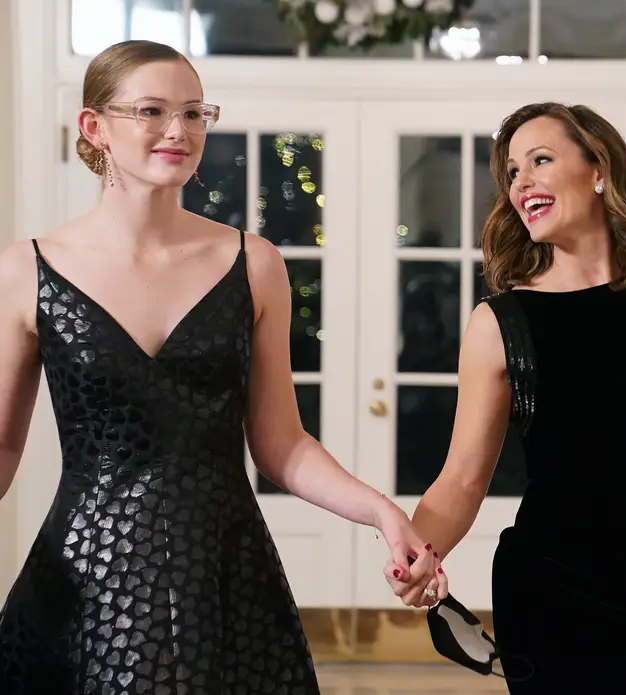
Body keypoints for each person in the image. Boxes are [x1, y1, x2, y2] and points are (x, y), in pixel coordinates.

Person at [0, 40, 446, 694]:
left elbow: (281, 444)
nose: (178, 130)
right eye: (151, 111)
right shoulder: (24, 270)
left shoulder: (255, 263)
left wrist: (381, 511)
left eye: (193, 113)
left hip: (226, 573)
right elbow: (3, 444)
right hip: (86, 573)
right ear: (94, 126)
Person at [383, 102, 626, 694]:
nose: (521, 182)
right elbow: (461, 480)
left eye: (541, 160)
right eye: (512, 171)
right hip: (553, 601)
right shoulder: (502, 323)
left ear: (598, 169)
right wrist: (418, 554)